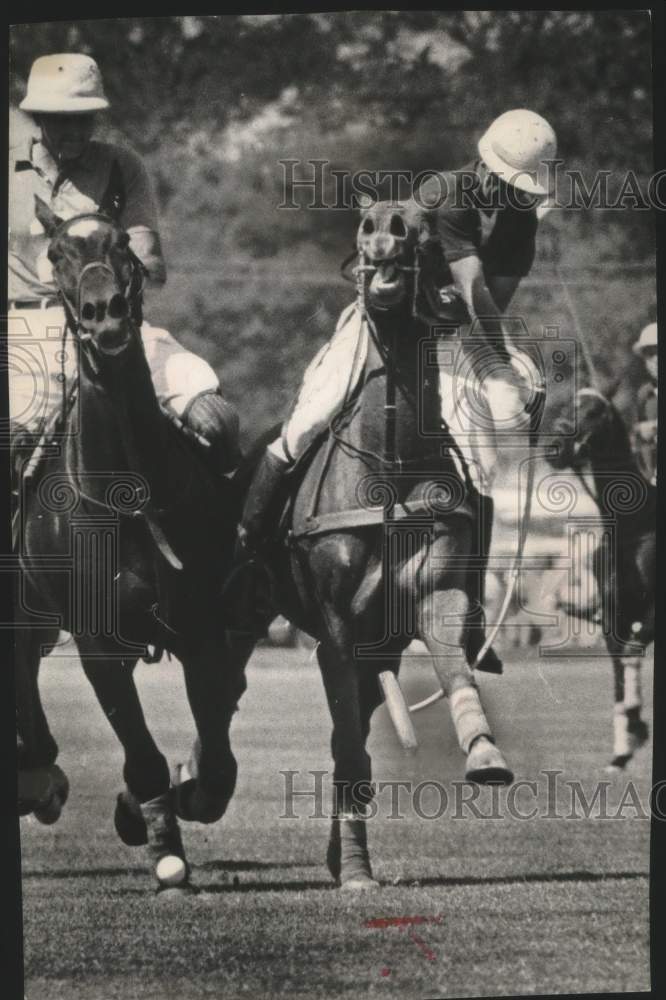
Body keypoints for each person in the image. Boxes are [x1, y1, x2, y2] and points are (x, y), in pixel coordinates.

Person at [238, 109, 556, 664]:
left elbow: (492, 303)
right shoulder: (449, 195)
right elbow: (475, 286)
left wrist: (503, 367)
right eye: (504, 182)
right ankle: (244, 551)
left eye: (518, 186)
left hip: (454, 332)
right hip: (382, 323)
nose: (508, 193)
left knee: (482, 457)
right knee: (308, 419)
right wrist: (479, 332)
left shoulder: (521, 217)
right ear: (483, 167)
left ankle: (470, 615)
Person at [8, 53, 239, 474]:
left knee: (216, 420)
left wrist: (121, 255)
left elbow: (151, 265)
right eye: (62, 119)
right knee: (9, 446)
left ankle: (241, 535)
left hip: (115, 321)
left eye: (85, 118)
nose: (76, 131)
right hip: (27, 330)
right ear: (38, 116)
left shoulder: (121, 167)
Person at [632, 321, 657, 485]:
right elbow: (636, 431)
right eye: (649, 353)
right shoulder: (644, 394)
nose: (654, 359)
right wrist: (639, 430)